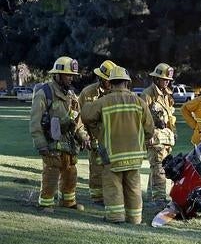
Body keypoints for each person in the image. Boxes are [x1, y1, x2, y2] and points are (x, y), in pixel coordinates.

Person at [81, 66, 154, 224]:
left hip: (112, 155)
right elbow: (150, 130)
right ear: (127, 83)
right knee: (133, 188)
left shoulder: (104, 102)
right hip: (135, 156)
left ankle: (115, 217)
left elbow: (86, 115)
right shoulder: (140, 102)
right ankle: (135, 218)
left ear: (111, 82)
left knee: (113, 186)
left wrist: (98, 132)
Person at [30, 56, 91, 213]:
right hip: (51, 144)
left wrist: (84, 137)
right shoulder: (45, 93)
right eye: (68, 75)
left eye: (72, 75)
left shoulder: (71, 95)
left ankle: (68, 202)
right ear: (57, 75)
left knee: (71, 173)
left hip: (69, 145)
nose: (71, 78)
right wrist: (41, 144)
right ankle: (46, 203)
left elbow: (78, 122)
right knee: (51, 173)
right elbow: (35, 122)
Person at [78, 60, 116, 205]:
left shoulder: (117, 93)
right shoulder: (88, 93)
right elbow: (79, 118)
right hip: (94, 138)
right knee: (96, 170)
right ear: (100, 78)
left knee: (113, 171)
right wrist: (84, 137)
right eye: (108, 80)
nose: (111, 83)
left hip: (113, 140)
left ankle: (112, 196)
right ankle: (97, 198)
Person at [140, 63, 176, 205]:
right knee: (159, 168)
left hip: (165, 138)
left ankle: (151, 196)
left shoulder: (167, 95)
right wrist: (151, 129)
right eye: (163, 79)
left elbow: (170, 117)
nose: (166, 81)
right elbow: (141, 117)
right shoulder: (147, 95)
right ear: (156, 79)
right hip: (154, 139)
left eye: (168, 79)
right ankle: (159, 199)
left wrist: (174, 132)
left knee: (156, 168)